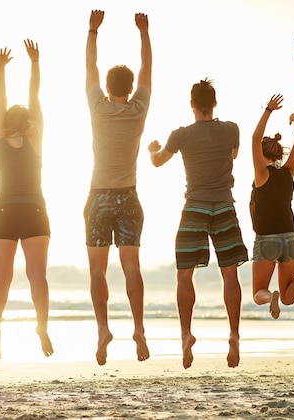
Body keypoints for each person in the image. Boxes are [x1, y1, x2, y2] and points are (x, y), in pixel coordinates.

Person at [148, 78, 248, 369]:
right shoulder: (231, 129)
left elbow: (157, 162)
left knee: (184, 275)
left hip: (195, 206)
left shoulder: (181, 135)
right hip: (224, 205)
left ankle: (186, 335)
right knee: (230, 275)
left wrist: (152, 149)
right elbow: (233, 154)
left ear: (191, 104)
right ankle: (233, 334)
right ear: (214, 103)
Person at [85, 9, 152, 366]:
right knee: (131, 267)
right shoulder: (139, 109)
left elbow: (89, 68)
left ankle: (103, 330)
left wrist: (93, 30)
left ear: (108, 88)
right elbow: (147, 70)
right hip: (129, 196)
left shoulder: (97, 106)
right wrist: (144, 32)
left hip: (99, 197)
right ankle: (138, 327)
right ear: (130, 89)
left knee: (98, 270)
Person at [0, 40, 53, 360]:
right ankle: (41, 325)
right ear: (27, 121)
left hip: (3, 211)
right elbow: (35, 98)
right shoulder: (35, 136)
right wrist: (35, 62)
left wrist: (0, 69)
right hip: (34, 210)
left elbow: (0, 100)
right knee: (36, 275)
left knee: (2, 276)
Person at [250, 94, 294, 319]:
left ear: (262, 155)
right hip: (290, 238)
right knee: (288, 297)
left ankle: (269, 296)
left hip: (267, 239)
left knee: (257, 293)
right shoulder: (288, 172)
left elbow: (254, 139)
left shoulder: (261, 175)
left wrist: (269, 110)